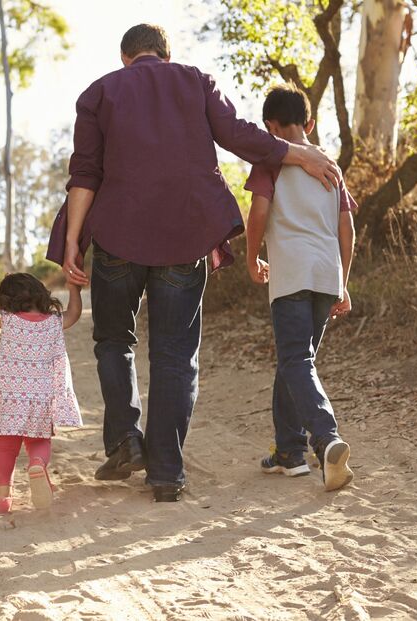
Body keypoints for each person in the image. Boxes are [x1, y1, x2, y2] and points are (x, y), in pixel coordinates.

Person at [60, 24, 343, 502]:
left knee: (114, 339)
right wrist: (298, 154)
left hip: (116, 237)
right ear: (166, 56)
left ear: (126, 57)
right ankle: (167, 473)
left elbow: (84, 173)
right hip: (184, 236)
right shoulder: (195, 81)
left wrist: (72, 241)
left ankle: (127, 440)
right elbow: (237, 136)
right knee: (174, 354)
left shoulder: (99, 92)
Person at [244, 84, 356, 491]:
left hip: (291, 274)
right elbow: (348, 229)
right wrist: (342, 281)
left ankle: (326, 439)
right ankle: (289, 453)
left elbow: (259, 210)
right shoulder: (332, 168)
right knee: (296, 361)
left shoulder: (270, 160)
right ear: (309, 123)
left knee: (296, 361)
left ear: (269, 126)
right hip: (326, 275)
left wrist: (251, 256)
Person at [0, 274, 83, 513]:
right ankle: (37, 464)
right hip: (41, 397)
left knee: (6, 447)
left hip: (9, 398)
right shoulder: (53, 321)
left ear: (7, 301)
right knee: (39, 440)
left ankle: (2, 494)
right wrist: (75, 290)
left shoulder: (8, 320)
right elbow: (73, 314)